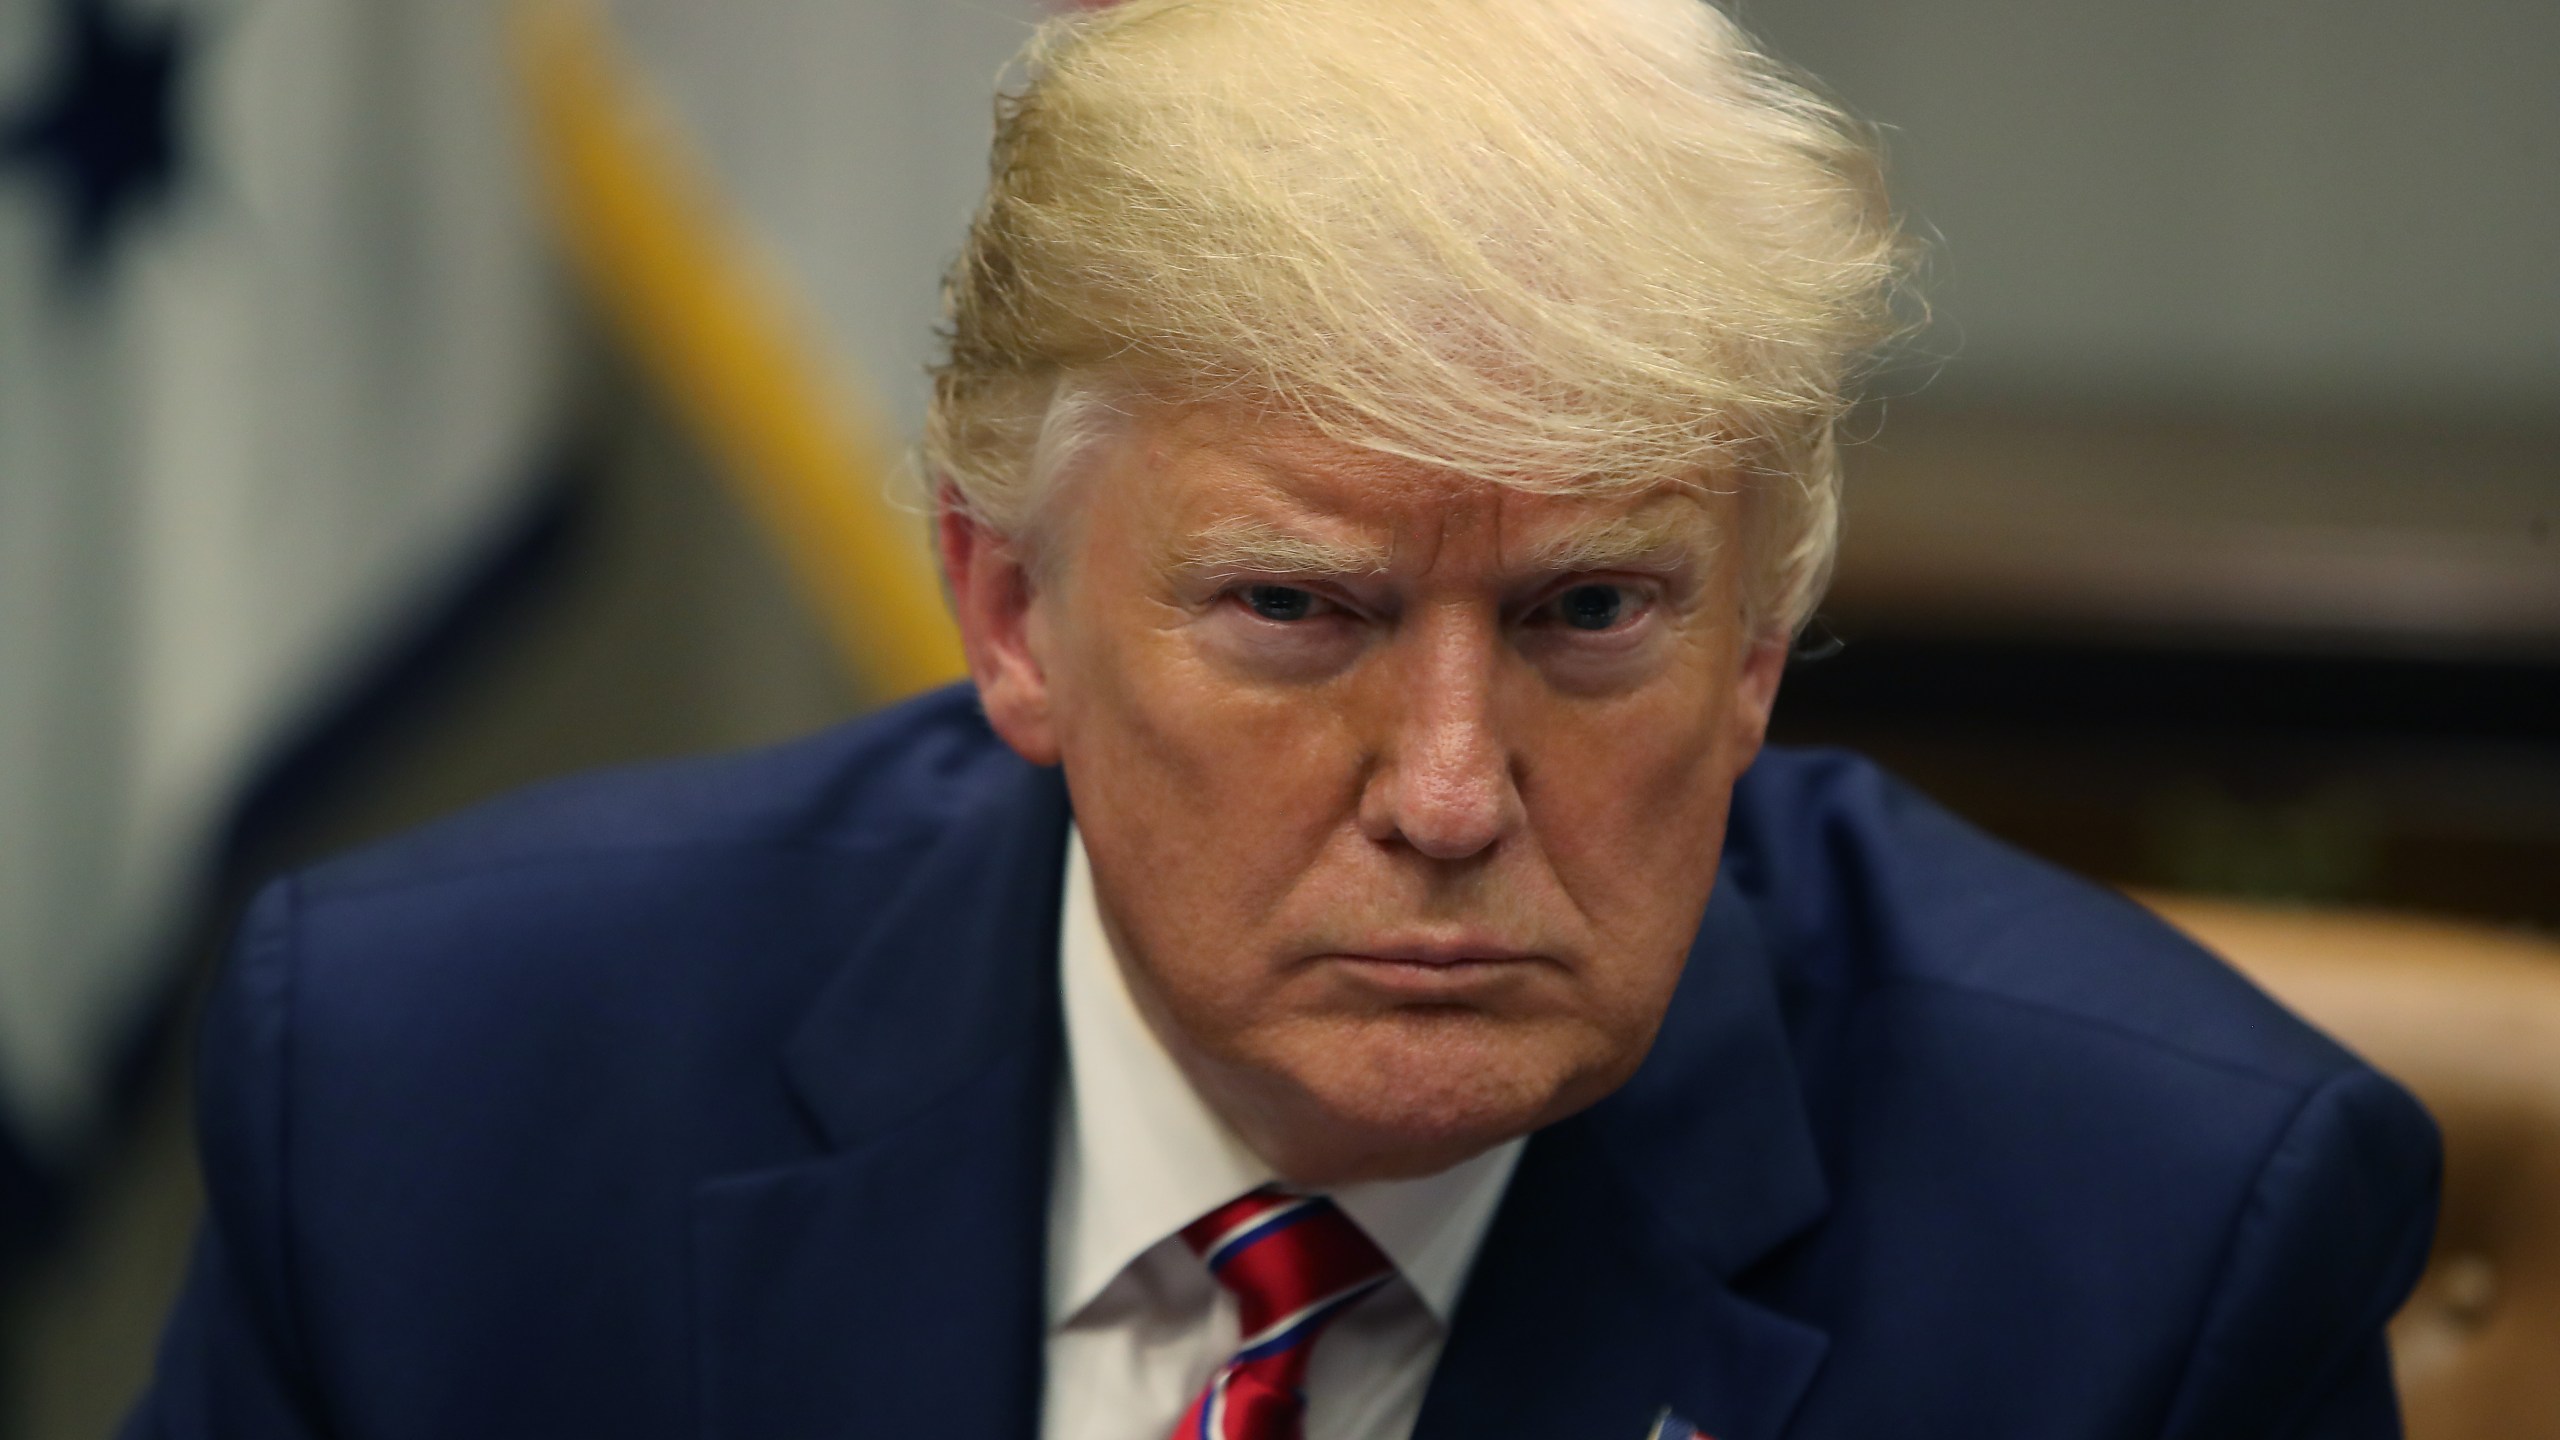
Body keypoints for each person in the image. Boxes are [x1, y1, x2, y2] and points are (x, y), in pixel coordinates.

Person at [124, 1, 2439, 1437]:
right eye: (1295, 612)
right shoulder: (438, 1097)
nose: (1446, 792)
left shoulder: (2152, 1247)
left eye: (1591, 613)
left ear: (1757, 648)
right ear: (1006, 610)